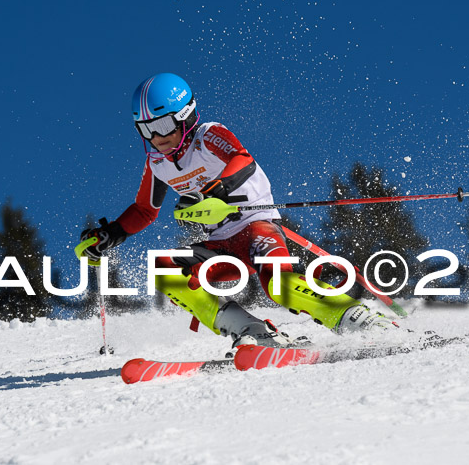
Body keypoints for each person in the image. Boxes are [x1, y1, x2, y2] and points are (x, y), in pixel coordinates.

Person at [79, 72, 393, 348]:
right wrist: (112, 233)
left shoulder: (208, 136)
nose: (157, 138)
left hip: (258, 225)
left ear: (186, 116)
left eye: (163, 125)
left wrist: (219, 187)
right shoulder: (158, 163)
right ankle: (255, 332)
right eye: (145, 129)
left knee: (279, 286)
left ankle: (359, 319)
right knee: (166, 270)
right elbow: (145, 210)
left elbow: (242, 159)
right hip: (222, 242)